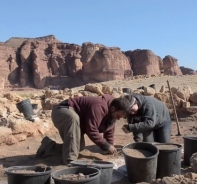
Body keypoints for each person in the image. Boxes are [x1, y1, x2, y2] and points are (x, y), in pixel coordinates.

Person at [36, 94, 129, 164]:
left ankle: (48, 147)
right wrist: (106, 146)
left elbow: (109, 129)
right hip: (61, 111)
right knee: (73, 118)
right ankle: (70, 160)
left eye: (120, 117)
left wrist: (110, 146)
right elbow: (91, 130)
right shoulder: (100, 106)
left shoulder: (112, 113)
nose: (118, 118)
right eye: (118, 116)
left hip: (74, 122)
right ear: (113, 109)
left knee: (78, 148)